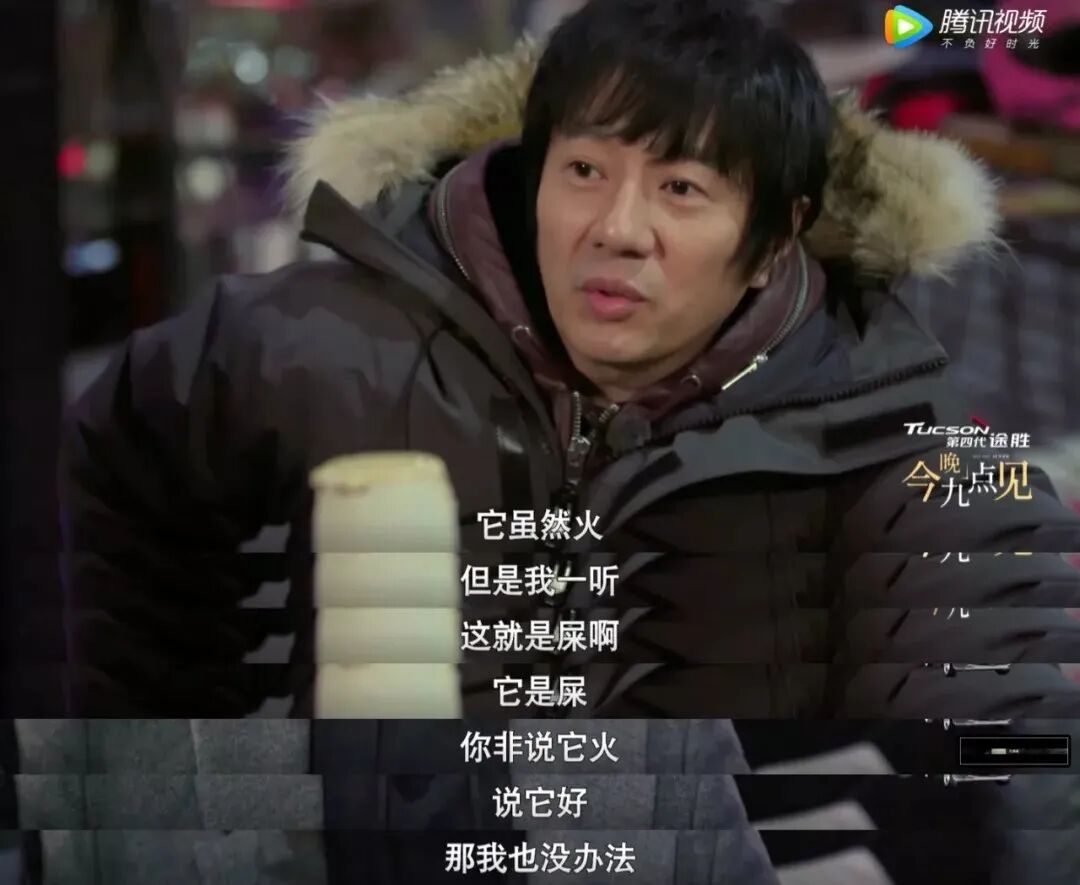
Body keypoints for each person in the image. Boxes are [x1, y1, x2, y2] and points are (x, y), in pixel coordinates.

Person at [54, 1, 1080, 883]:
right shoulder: (315, 346)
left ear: (773, 239)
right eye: (584, 170)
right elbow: (127, 455)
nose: (617, 228)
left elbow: (1013, 739)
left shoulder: (875, 434)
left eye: (682, 188)